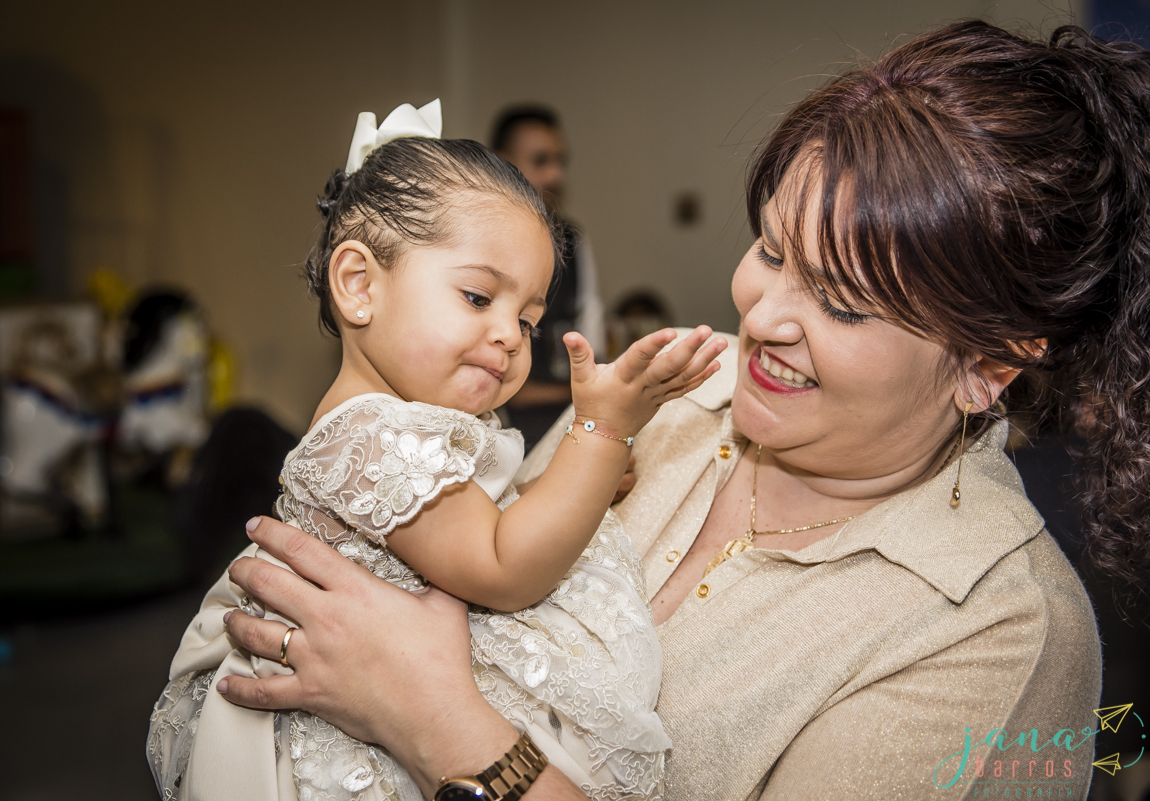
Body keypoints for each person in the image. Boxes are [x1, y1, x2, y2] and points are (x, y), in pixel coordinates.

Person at [209, 21, 1150, 799]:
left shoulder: (1001, 632)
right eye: (774, 251)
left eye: (846, 301)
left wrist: (442, 727)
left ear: (987, 364)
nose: (763, 317)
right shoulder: (677, 391)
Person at [147, 100, 725, 801]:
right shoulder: (368, 437)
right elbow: (503, 565)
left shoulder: (416, 421)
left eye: (528, 319)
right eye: (478, 296)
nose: (511, 335)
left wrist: (581, 480)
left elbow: (487, 521)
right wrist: (601, 432)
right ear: (359, 284)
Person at [491, 106, 605, 450]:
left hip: (572, 427)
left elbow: (592, 326)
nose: (555, 174)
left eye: (560, 161)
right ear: (502, 162)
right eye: (541, 161)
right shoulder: (477, 242)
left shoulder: (573, 240)